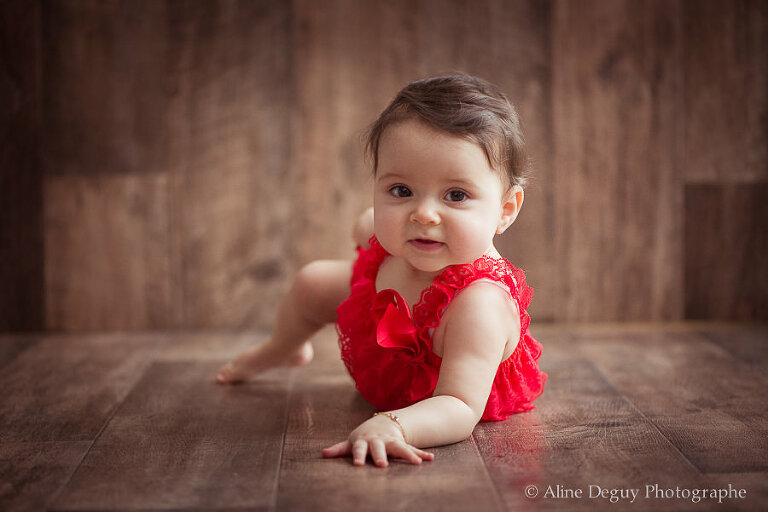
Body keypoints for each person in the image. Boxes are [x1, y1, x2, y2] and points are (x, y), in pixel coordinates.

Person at [216, 74, 547, 467]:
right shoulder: (400, 235)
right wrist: (367, 226)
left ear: (505, 210)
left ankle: (400, 417)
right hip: (385, 330)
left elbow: (459, 406)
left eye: (456, 195)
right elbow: (365, 225)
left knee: (449, 394)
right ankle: (283, 347)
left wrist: (394, 425)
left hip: (445, 395)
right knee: (312, 281)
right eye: (401, 190)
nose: (423, 215)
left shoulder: (480, 306)